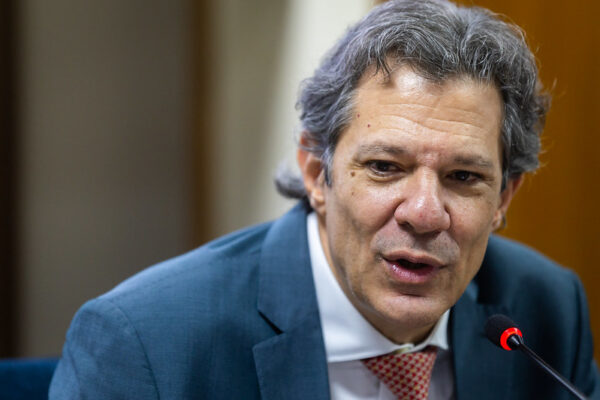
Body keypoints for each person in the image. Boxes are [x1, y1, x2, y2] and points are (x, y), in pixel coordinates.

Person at [49, 0, 600, 399]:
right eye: (385, 167)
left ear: (504, 196)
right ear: (316, 172)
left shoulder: (546, 311)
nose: (424, 213)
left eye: (463, 176)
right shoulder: (147, 343)